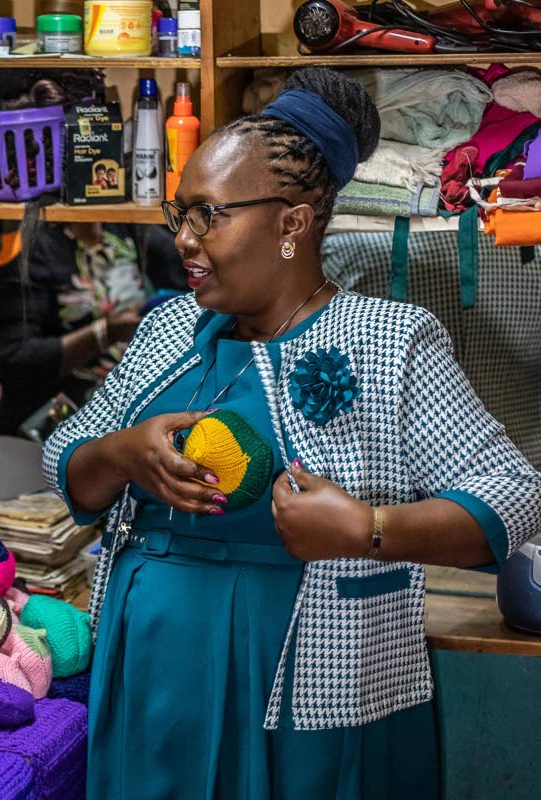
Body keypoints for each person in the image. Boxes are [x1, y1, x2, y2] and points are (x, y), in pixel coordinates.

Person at [42, 68, 541, 798]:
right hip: (155, 666)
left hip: (311, 682)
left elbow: (514, 494)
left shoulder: (386, 341)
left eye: (208, 215)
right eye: (178, 213)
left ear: (292, 223)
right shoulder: (170, 329)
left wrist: (368, 529)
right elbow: (67, 462)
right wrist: (120, 453)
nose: (184, 238)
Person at [0, 221, 184, 436]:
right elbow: (15, 358)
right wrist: (103, 333)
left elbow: (186, 262)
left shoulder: (124, 226)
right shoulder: (35, 247)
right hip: (54, 423)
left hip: (122, 420)